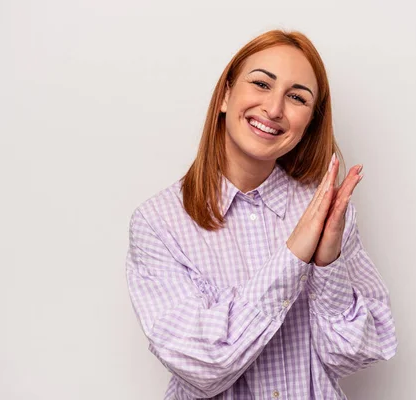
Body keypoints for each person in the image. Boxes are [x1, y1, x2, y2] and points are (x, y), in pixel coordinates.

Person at [125, 29, 397, 400]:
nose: (274, 109)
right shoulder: (158, 223)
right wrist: (293, 257)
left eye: (297, 97)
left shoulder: (326, 213)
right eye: (261, 84)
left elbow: (353, 355)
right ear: (225, 95)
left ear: (309, 123)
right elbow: (202, 366)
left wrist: (327, 264)